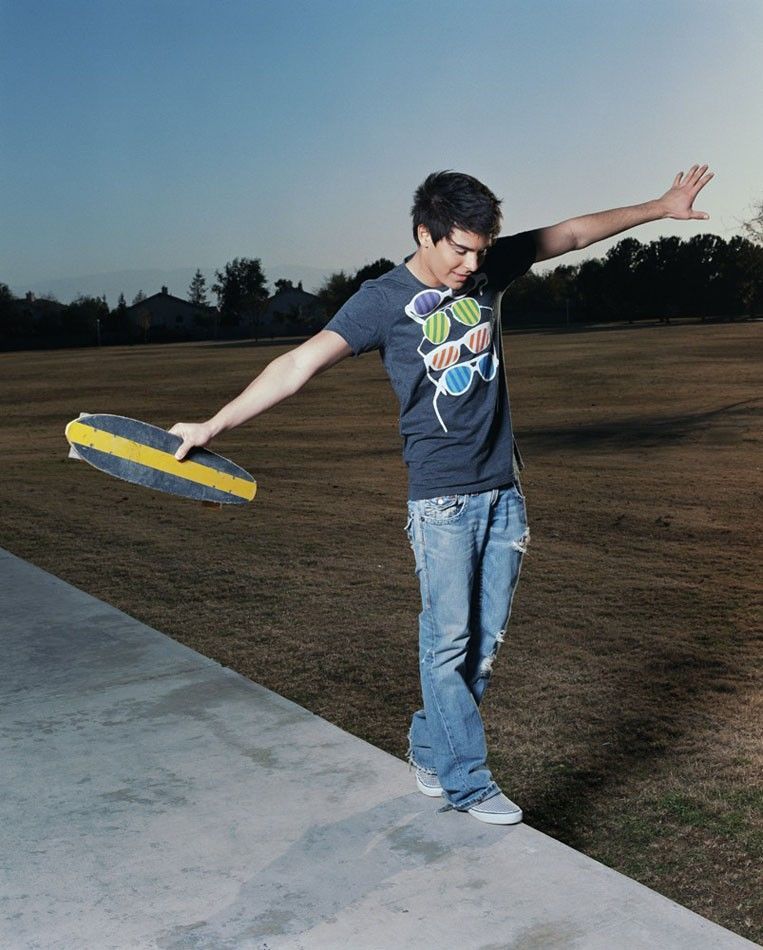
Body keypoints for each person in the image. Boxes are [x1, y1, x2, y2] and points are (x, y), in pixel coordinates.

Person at [171, 165, 713, 825]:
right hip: (442, 502)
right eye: (459, 250)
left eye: (481, 250)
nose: (471, 265)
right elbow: (297, 364)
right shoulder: (381, 300)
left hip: (504, 491)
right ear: (423, 234)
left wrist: (660, 206)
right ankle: (467, 783)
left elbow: (571, 233)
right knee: (448, 644)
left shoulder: (485, 266)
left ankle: (431, 749)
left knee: (481, 648)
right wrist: (211, 425)